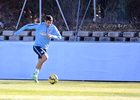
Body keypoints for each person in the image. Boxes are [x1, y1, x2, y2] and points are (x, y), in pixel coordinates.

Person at [13, 15, 62, 83]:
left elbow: (59, 37)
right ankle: (34, 74)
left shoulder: (53, 27)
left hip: (45, 48)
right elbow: (27, 26)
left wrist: (52, 36)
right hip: (37, 46)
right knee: (45, 57)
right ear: (45, 21)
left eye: (50, 23)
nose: (49, 24)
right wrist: (16, 33)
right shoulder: (39, 26)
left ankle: (35, 76)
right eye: (48, 22)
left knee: (40, 63)